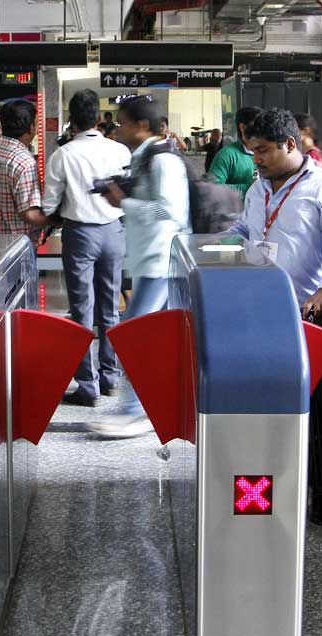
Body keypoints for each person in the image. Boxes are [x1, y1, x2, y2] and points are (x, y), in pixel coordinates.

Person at [228, 108, 322, 531]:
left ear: (290, 144)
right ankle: (273, 487)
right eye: (252, 151)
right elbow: (248, 231)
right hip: (262, 310)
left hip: (307, 313)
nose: (256, 159)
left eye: (263, 150)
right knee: (269, 401)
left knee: (317, 406)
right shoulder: (258, 188)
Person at [93, 95, 191, 437]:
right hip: (150, 260)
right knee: (148, 339)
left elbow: (169, 211)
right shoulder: (146, 158)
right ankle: (149, 407)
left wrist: (125, 202)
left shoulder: (162, 161)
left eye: (122, 122)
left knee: (133, 337)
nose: (118, 128)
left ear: (142, 125)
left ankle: (135, 411)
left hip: (161, 263)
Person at [42, 89, 133, 407]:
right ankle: (111, 377)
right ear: (97, 118)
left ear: (71, 120)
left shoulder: (62, 155)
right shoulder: (120, 150)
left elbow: (50, 203)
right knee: (110, 307)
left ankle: (88, 386)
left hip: (79, 234)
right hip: (114, 232)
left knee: (82, 309)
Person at [0, 99, 49, 237]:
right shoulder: (24, 162)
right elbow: (30, 215)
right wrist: (58, 219)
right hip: (13, 244)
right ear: (31, 126)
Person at [209, 106, 262, 195]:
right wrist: (249, 188)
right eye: (258, 126)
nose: (263, 130)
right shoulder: (226, 155)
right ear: (243, 127)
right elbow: (212, 189)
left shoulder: (268, 152)